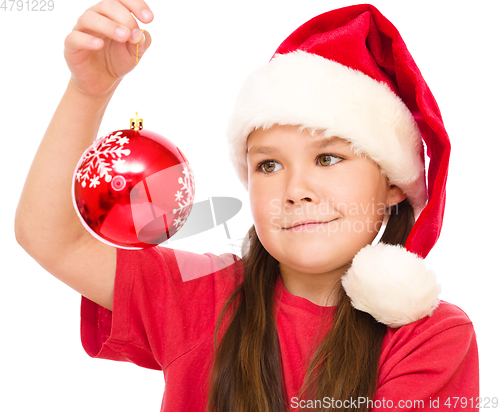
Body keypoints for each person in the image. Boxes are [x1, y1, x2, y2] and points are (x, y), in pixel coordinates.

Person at [15, 1, 479, 411]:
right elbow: (52, 237)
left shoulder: (433, 338)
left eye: (328, 157)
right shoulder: (200, 297)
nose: (296, 190)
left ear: (395, 183)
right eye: (270, 165)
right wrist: (88, 92)